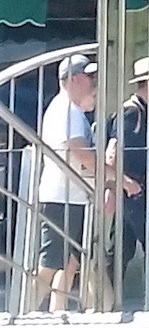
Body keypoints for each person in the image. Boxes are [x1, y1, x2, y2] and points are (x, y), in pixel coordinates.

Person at [104, 56, 149, 311]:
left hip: (136, 190)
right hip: (132, 191)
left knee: (122, 248)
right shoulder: (132, 113)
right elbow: (113, 152)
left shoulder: (145, 112)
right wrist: (119, 185)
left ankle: (106, 297)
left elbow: (147, 155)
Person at [36, 55, 98, 312]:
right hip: (61, 197)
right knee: (50, 264)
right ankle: (22, 310)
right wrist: (114, 177)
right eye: (88, 76)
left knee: (70, 261)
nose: (93, 81)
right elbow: (80, 152)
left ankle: (57, 311)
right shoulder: (67, 110)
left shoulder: (70, 109)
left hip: (70, 196)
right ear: (72, 80)